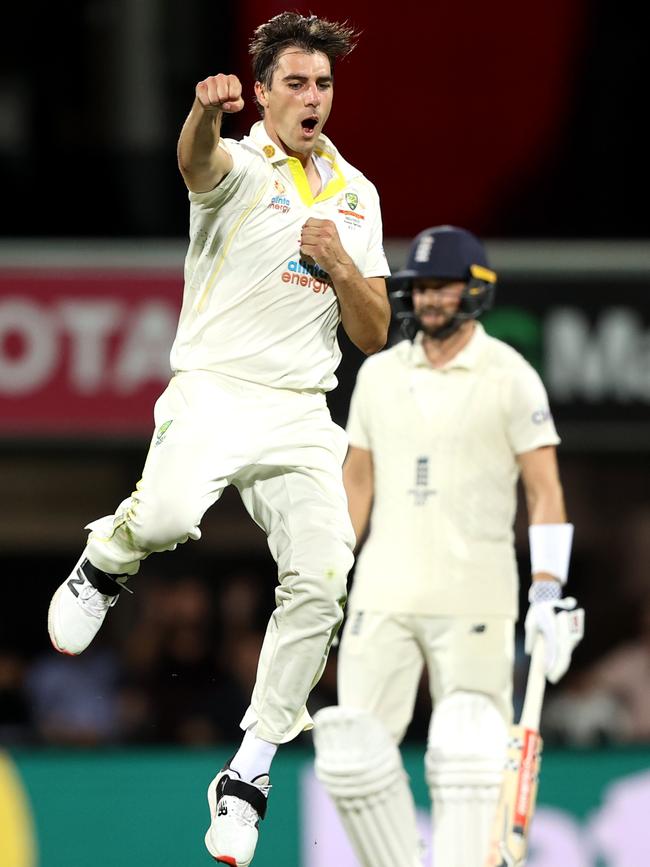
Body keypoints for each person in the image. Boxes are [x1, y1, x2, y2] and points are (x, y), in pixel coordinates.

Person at [47, 12, 390, 867]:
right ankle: (108, 559)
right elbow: (195, 162)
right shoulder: (240, 165)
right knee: (163, 518)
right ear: (265, 95)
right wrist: (203, 113)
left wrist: (343, 266)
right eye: (296, 84)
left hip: (302, 411)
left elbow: (377, 334)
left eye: (324, 85)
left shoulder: (359, 194)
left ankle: (249, 771)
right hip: (216, 389)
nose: (313, 99)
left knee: (323, 577)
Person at [312, 226, 584, 867]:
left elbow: (545, 492)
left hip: (476, 599)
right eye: (423, 288)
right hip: (383, 590)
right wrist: (329, 574)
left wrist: (549, 588)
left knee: (470, 748)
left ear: (476, 290)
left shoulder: (510, 376)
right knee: (350, 749)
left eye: (445, 287)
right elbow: (357, 485)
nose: (432, 301)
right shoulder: (378, 375)